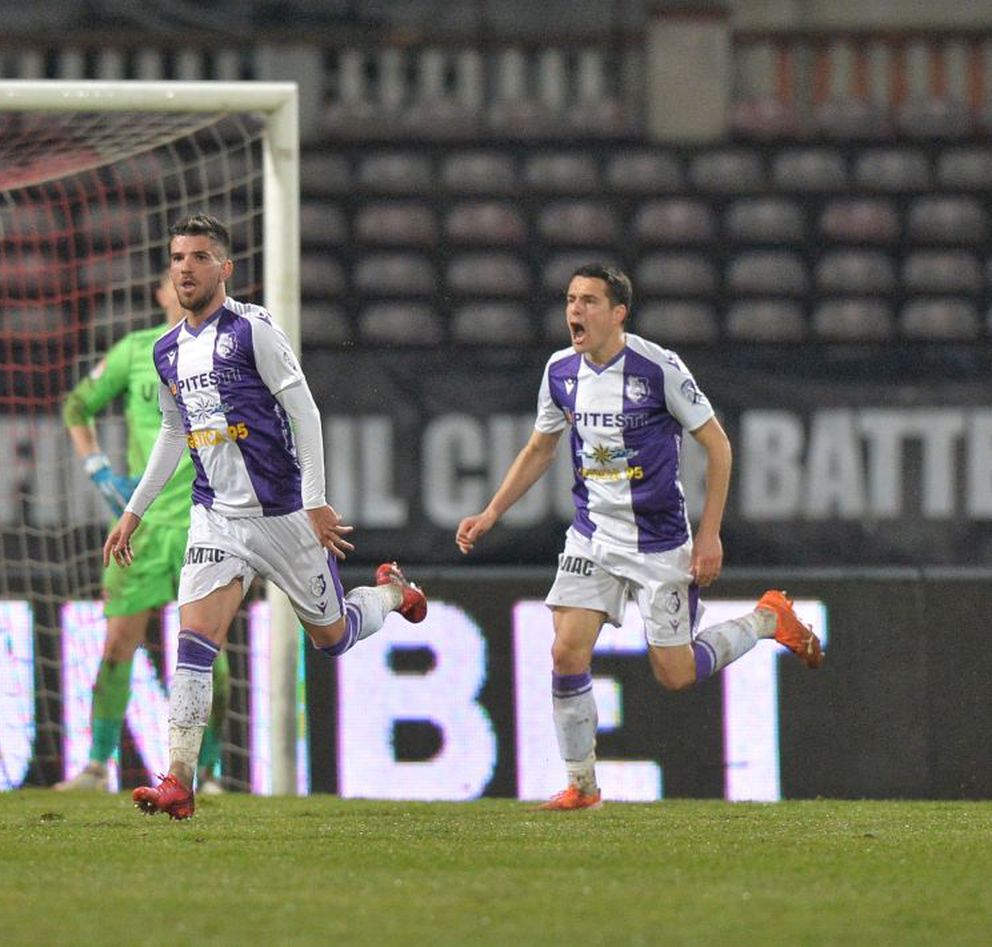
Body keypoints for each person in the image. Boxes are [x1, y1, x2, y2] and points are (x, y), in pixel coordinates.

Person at [455, 262, 822, 811]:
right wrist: (490, 513)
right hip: (592, 537)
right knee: (565, 651)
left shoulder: (658, 368)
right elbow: (540, 448)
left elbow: (718, 446)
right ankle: (583, 786)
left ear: (618, 313)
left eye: (589, 301)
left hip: (658, 544)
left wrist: (710, 535)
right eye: (571, 300)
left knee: (675, 674)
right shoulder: (560, 371)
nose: (575, 310)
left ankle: (766, 619)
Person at [105, 213, 427, 820]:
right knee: (194, 642)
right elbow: (174, 432)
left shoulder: (252, 330)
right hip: (216, 517)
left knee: (333, 638)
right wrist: (134, 511)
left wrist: (315, 500)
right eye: (178, 258)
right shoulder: (165, 351)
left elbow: (304, 412)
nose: (185, 269)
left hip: (283, 514)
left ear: (225, 268)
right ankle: (179, 780)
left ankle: (392, 593)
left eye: (200, 257)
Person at [55, 274, 230, 794]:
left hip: (207, 526)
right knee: (116, 646)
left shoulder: (230, 350)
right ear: (160, 294)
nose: (184, 286)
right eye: (175, 278)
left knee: (210, 660)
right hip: (143, 530)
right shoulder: (136, 351)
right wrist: (97, 469)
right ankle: (95, 767)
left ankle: (209, 773)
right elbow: (76, 406)